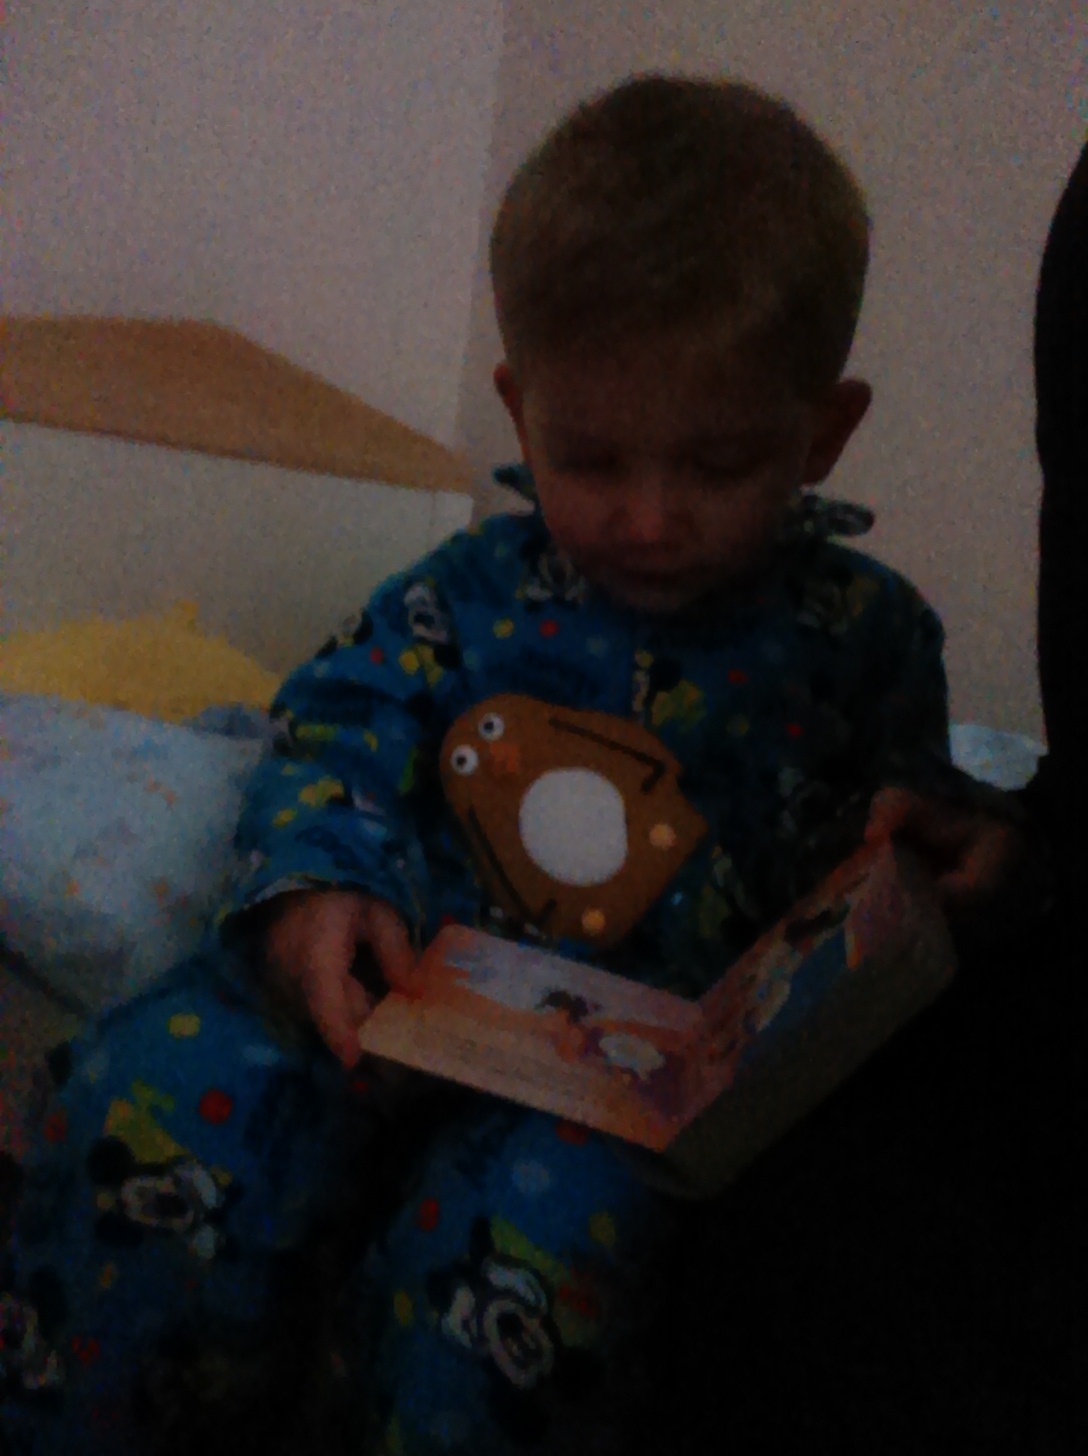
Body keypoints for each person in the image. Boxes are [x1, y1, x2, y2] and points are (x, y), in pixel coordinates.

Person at [0, 75, 1037, 1456]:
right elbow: (336, 721)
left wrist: (960, 841)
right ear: (519, 407)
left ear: (824, 432)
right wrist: (320, 884)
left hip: (627, 1074)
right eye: (590, 458)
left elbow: (905, 821)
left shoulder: (868, 634)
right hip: (397, 983)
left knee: (530, 1266)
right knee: (160, 1098)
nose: (650, 517)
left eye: (721, 465)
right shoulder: (470, 589)